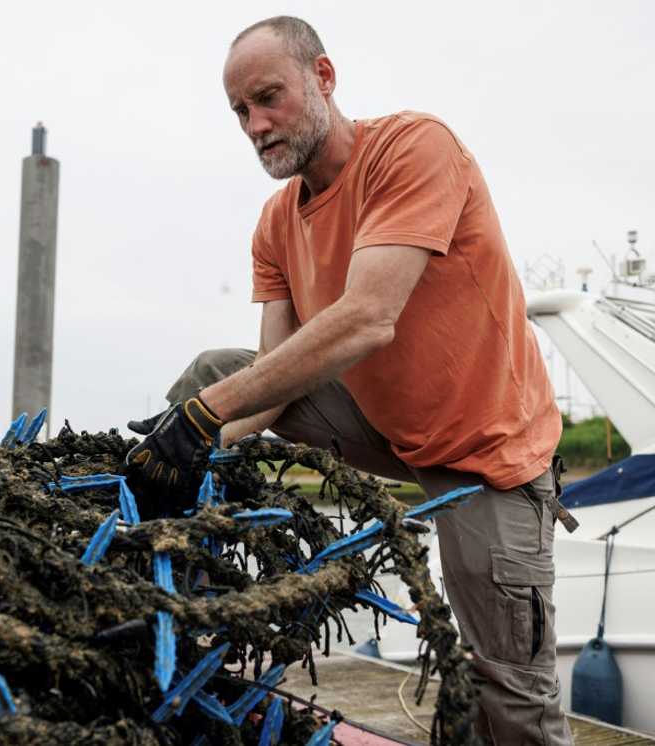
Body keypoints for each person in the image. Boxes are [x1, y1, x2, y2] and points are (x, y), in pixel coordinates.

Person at [125, 16, 573, 745]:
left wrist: (205, 415)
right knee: (217, 372)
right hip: (382, 426)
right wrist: (184, 439)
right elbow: (269, 380)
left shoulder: (413, 148)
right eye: (240, 111)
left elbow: (369, 317)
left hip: (488, 451)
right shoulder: (276, 223)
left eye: (269, 98)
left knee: (509, 694)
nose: (256, 125)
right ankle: (161, 561)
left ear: (323, 78)